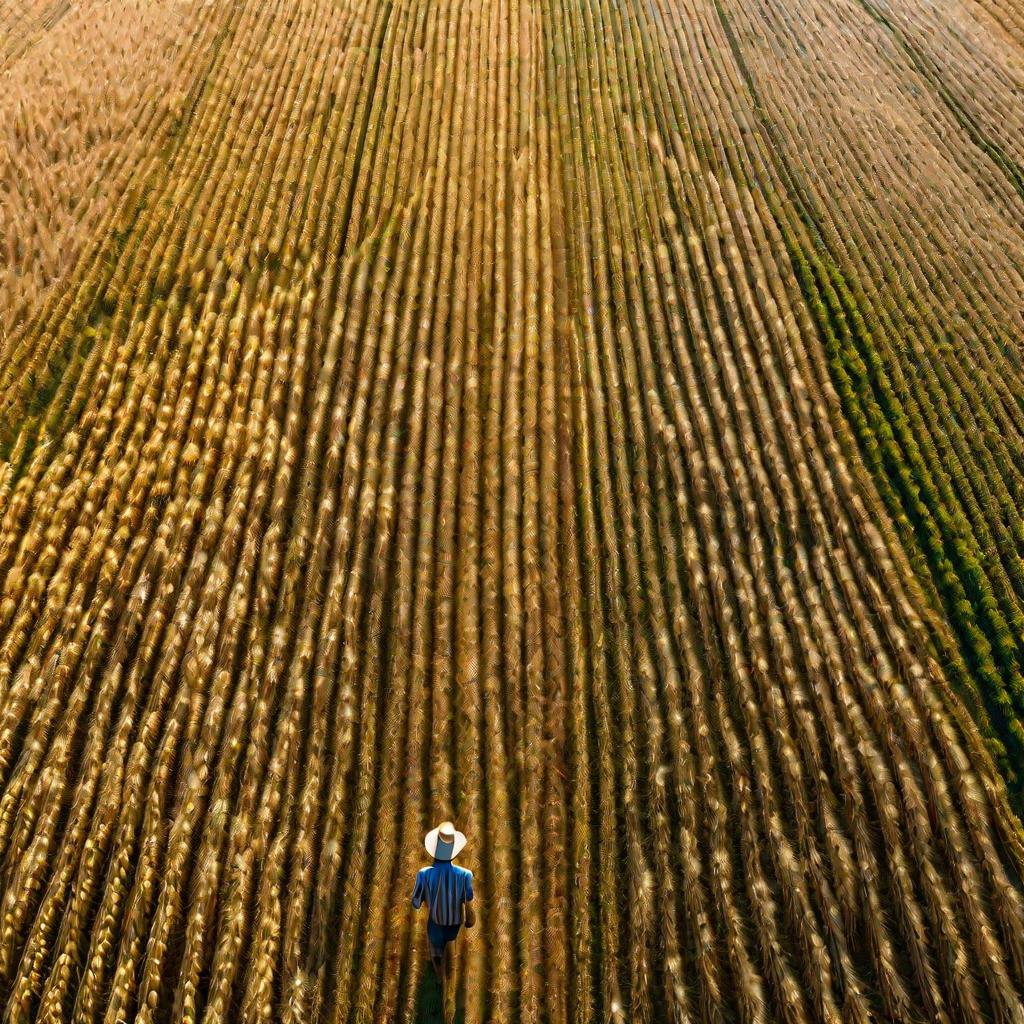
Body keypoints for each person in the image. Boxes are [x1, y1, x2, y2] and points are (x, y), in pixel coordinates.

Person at [411, 821, 475, 986]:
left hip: (436, 925)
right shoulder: (465, 875)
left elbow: (416, 903)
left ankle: (440, 978)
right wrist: (470, 917)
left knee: (435, 953)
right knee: (453, 942)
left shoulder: (424, 874)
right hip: (456, 924)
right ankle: (453, 975)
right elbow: (468, 902)